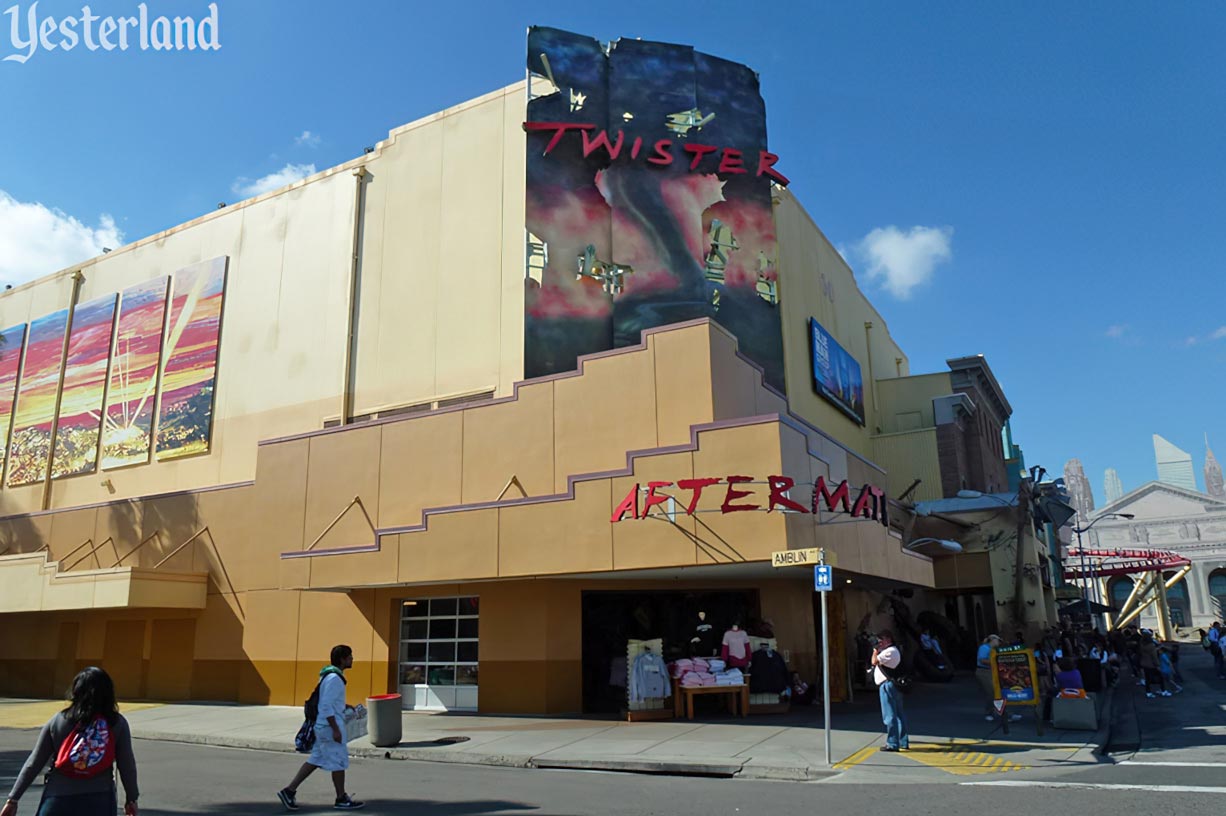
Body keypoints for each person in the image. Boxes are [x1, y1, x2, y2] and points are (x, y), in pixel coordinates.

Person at [2, 667, 138, 816]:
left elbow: (34, 762)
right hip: (100, 798)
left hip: (58, 798)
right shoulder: (117, 723)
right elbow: (127, 765)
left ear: (76, 690)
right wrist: (131, 798)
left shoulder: (59, 721)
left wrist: (13, 799)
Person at [278, 645, 365, 811]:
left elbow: (328, 701)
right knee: (339, 761)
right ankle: (341, 798)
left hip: (324, 726)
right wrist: (336, 729)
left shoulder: (329, 676)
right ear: (342, 659)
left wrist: (345, 706)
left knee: (316, 759)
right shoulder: (334, 679)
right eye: (350, 656)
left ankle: (289, 791)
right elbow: (325, 706)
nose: (352, 659)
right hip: (329, 727)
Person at [870, 630, 909, 752]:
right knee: (898, 714)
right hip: (891, 685)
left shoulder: (890, 651)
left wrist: (875, 651)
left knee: (890, 715)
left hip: (888, 685)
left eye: (881, 640)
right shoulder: (891, 651)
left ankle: (892, 743)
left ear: (888, 640)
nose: (879, 643)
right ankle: (902, 741)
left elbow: (874, 661)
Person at [1138, 631, 1170, 698]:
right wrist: (1157, 665)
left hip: (1144, 663)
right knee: (1160, 678)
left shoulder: (1142, 644)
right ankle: (1163, 691)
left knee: (1147, 679)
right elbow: (1154, 656)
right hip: (1152, 664)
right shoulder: (1151, 645)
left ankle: (1148, 692)